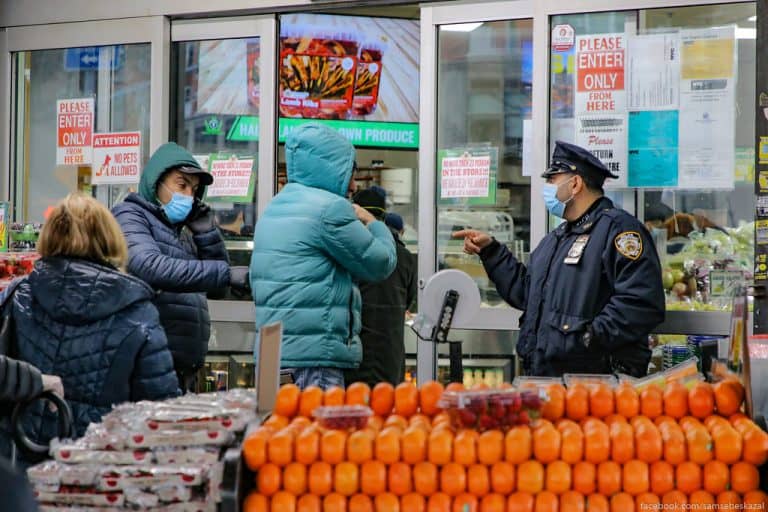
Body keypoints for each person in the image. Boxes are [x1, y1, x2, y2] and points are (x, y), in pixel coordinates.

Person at [453, 141, 665, 377]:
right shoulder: (556, 239)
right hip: (547, 377)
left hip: (596, 382)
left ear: (575, 184)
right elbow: (527, 292)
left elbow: (640, 302)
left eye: (552, 180)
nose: (547, 187)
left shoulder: (619, 231)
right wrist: (491, 252)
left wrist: (587, 338)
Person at [0, 194, 179, 465]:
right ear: (110, 238)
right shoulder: (138, 311)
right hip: (98, 473)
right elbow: (160, 414)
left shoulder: (18, 297)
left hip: (17, 465)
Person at [250, 123, 397, 390]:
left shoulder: (275, 207)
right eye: (349, 173)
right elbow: (380, 263)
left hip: (273, 355)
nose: (353, 185)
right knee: (317, 430)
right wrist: (374, 223)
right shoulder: (329, 210)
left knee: (278, 430)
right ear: (331, 168)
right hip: (312, 361)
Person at [112, 143, 250, 391]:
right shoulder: (130, 215)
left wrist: (207, 233)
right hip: (148, 365)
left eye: (195, 189)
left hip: (182, 365)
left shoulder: (180, 232)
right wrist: (226, 275)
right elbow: (150, 265)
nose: (188, 195)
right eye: (181, 184)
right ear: (157, 182)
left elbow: (216, 288)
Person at [345, 191, 417, 387]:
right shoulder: (404, 257)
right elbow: (408, 300)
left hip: (355, 354)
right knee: (386, 411)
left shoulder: (349, 252)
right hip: (390, 353)